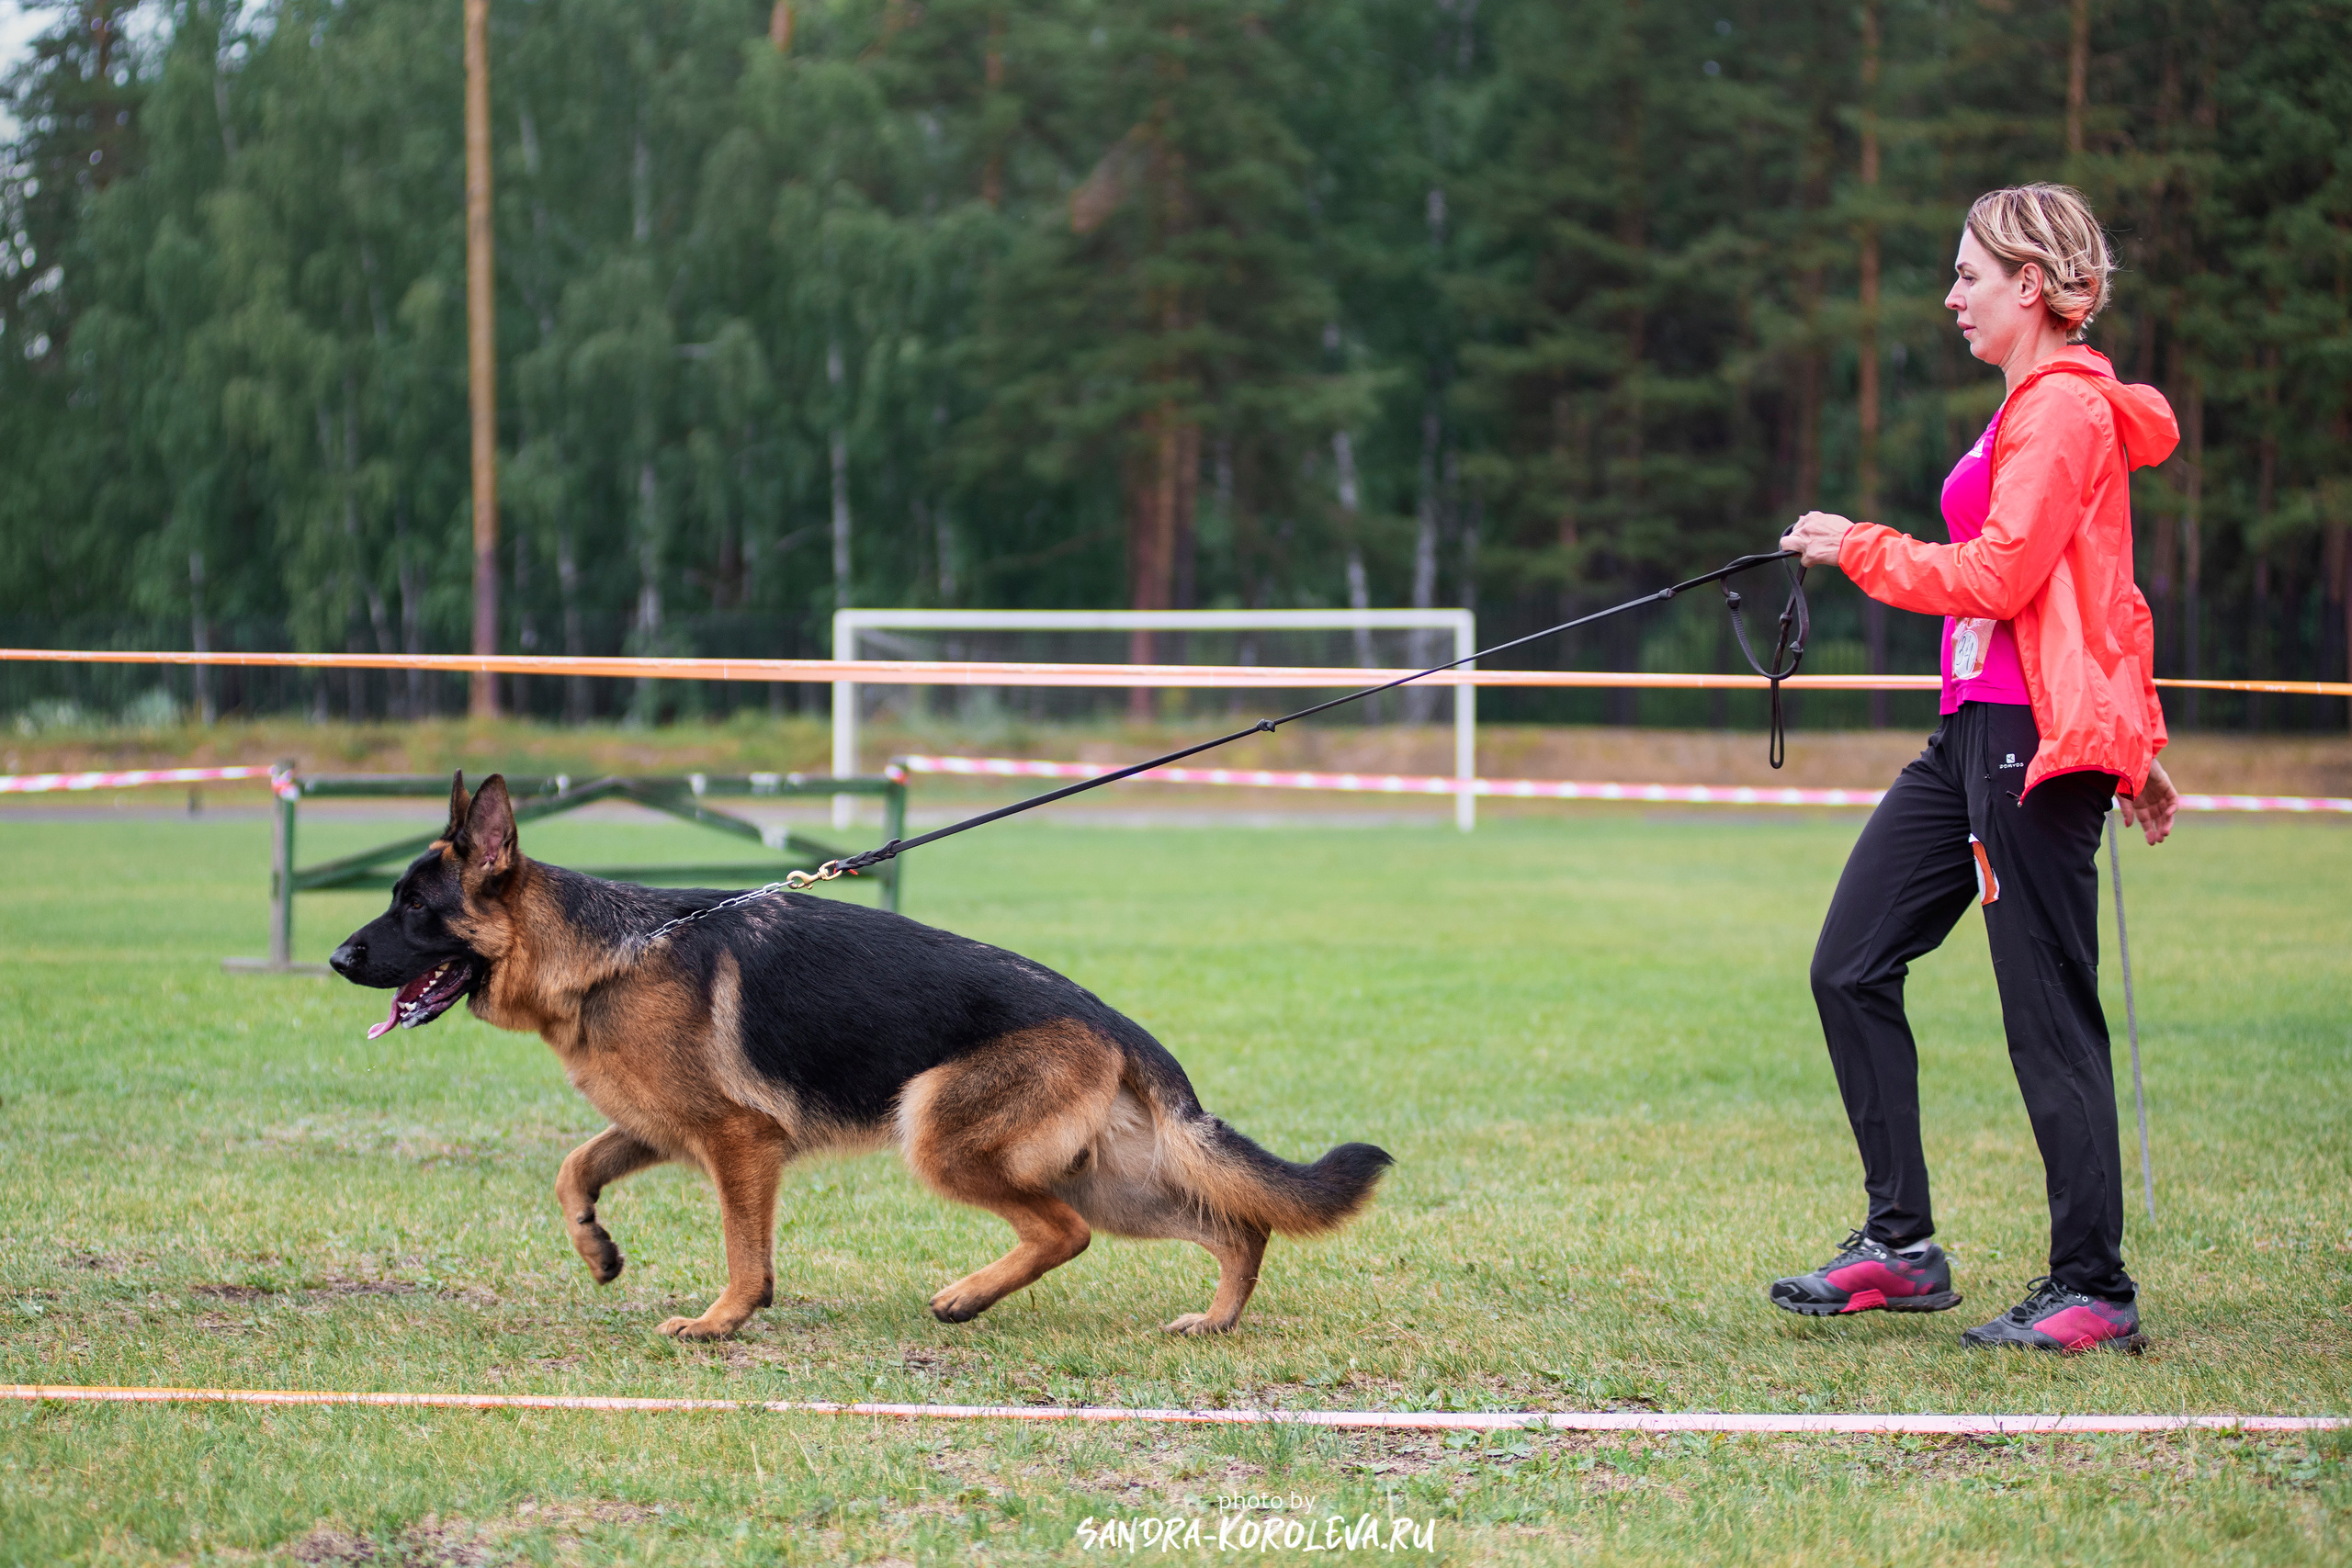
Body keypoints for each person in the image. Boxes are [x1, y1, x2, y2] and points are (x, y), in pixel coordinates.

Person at [1770, 184, 2181, 1353]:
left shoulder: (2061, 413)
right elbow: (2100, 597)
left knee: (2046, 1016)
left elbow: (2003, 579)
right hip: (1969, 736)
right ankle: (1899, 1247)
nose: (1951, 296)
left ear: (2034, 289)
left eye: (1969, 276)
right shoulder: (2022, 413)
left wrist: (1858, 545)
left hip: (2027, 750)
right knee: (1850, 965)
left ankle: (2090, 1285)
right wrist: (2140, 741)